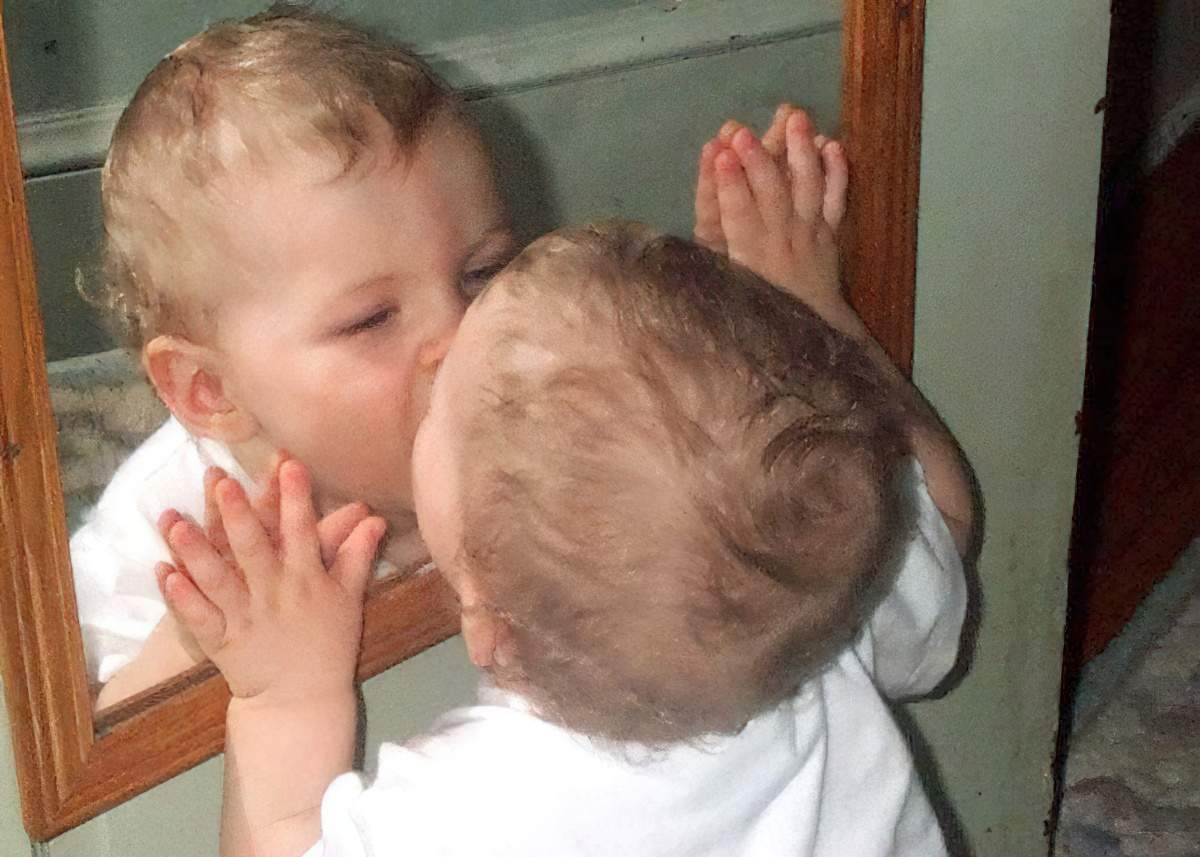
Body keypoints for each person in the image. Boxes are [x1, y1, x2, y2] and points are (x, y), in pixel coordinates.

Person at [157, 124, 975, 854]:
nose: (440, 349)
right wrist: (814, 309)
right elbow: (943, 513)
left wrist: (288, 698)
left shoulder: (462, 815)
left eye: (448, 405)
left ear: (487, 627)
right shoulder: (816, 624)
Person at [71, 5, 851, 710]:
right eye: (372, 317)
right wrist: (195, 640)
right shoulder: (174, 521)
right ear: (209, 390)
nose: (464, 336)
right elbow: (95, 745)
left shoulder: (554, 399)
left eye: (482, 272)